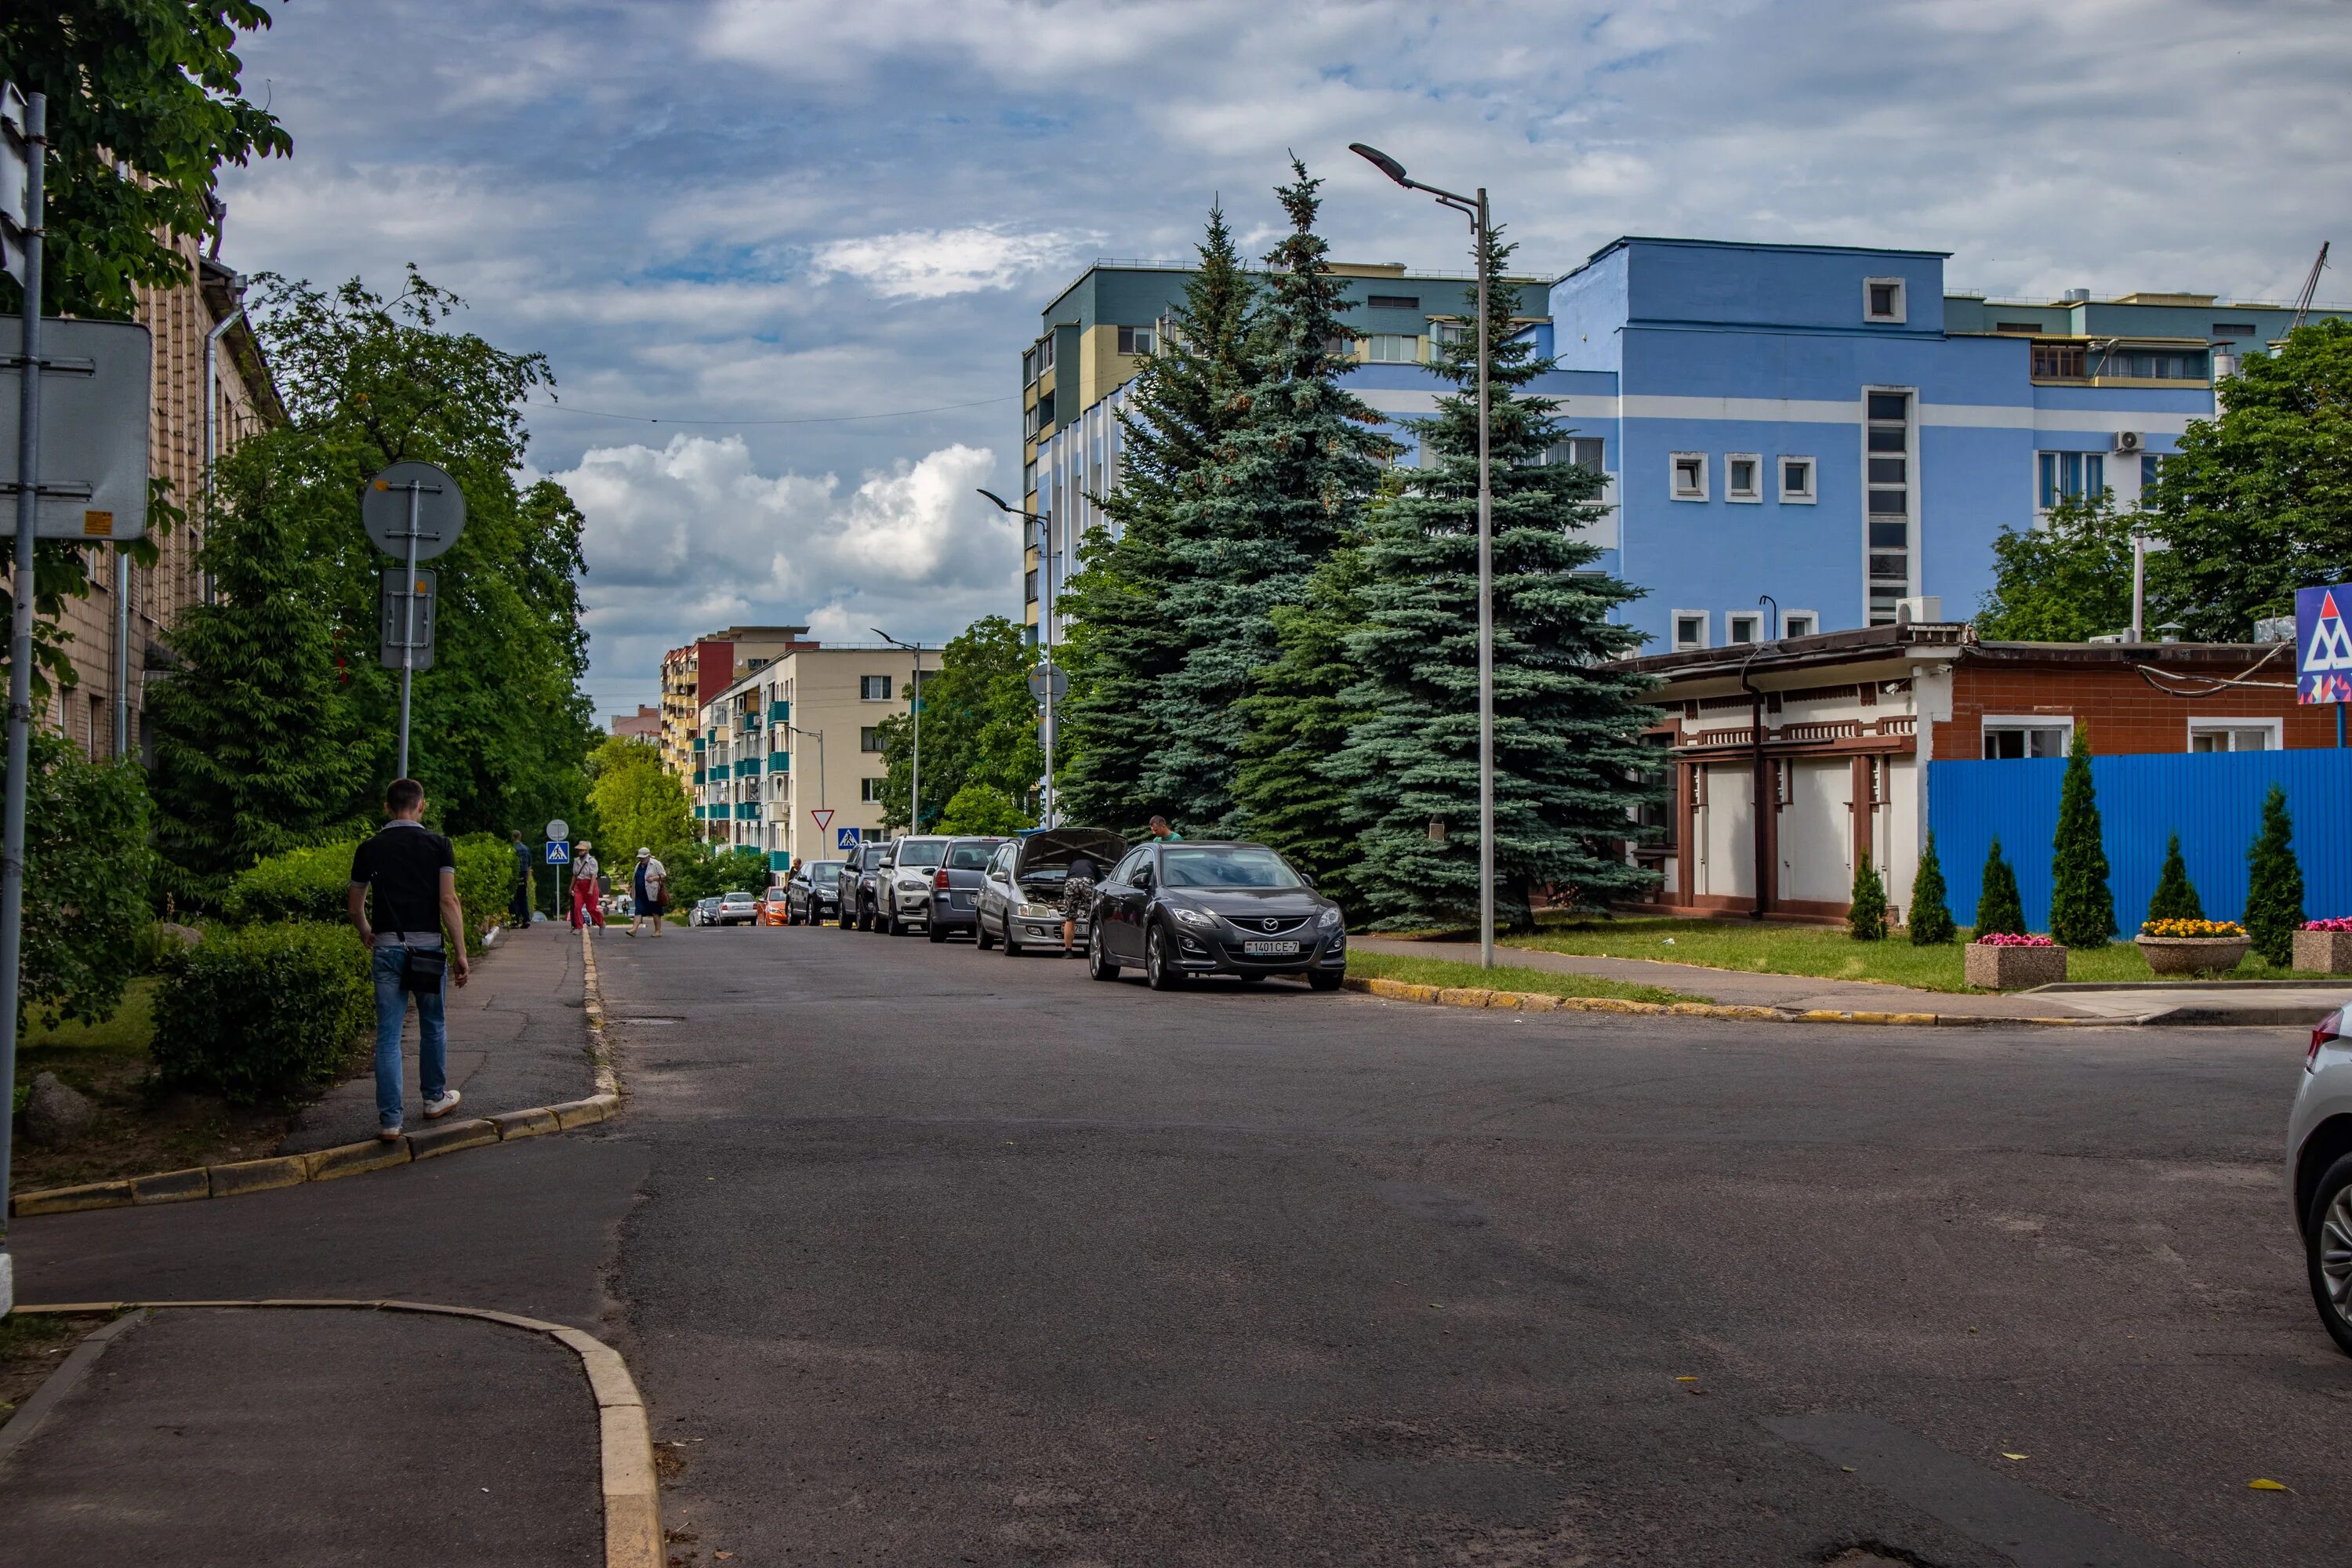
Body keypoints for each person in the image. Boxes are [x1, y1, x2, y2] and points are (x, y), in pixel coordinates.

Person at [347, 779, 470, 1142]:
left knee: (388, 1034)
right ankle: (434, 1098)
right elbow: (448, 902)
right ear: (422, 806)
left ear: (386, 808)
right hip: (428, 951)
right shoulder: (438, 845)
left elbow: (355, 906)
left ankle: (390, 1121)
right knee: (433, 1024)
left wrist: (366, 931)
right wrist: (461, 952)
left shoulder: (369, 848)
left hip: (386, 949)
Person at [1060, 850, 1102, 958]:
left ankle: (1068, 951)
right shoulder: (1093, 866)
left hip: (1071, 882)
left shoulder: (1073, 865)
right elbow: (1103, 884)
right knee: (1092, 917)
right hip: (1087, 881)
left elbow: (1066, 880)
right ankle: (1092, 948)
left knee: (1070, 919)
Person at [630, 847, 668, 937]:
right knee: (638, 911)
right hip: (640, 893)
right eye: (640, 858)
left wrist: (653, 878)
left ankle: (658, 931)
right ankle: (634, 930)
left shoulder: (655, 863)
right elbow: (635, 879)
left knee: (655, 911)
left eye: (643, 858)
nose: (641, 859)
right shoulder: (638, 865)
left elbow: (663, 875)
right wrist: (632, 891)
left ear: (648, 856)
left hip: (652, 892)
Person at [572, 840, 604, 931]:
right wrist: (571, 888)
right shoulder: (576, 861)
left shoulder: (592, 861)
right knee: (577, 907)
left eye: (582, 850)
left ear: (587, 851)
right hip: (579, 886)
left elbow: (593, 876)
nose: (580, 852)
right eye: (579, 850)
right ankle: (579, 927)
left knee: (591, 908)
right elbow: (574, 875)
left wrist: (590, 889)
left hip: (590, 885)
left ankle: (601, 923)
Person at [510, 829, 532, 929]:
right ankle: (526, 919)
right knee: (523, 897)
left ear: (512, 837)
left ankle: (515, 921)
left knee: (513, 898)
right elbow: (529, 865)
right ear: (520, 837)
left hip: (514, 875)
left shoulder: (511, 849)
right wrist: (527, 878)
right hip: (523, 874)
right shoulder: (526, 849)